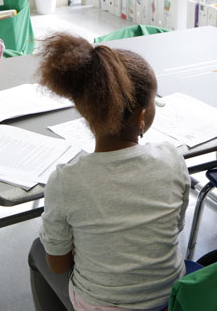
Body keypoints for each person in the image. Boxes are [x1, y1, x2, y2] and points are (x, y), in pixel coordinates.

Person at [27, 33, 193, 311]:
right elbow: (173, 228)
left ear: (86, 112)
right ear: (142, 116)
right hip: (170, 299)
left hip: (101, 304)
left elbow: (57, 265)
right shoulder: (171, 158)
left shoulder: (66, 180)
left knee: (37, 250)